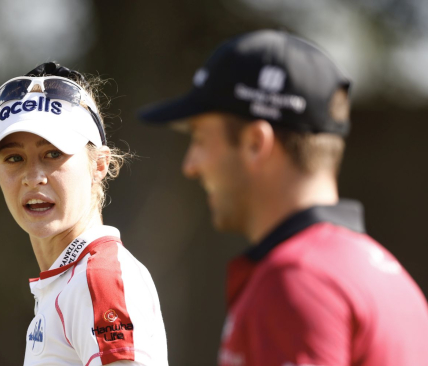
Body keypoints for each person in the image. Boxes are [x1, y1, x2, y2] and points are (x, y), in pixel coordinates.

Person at [139, 30, 428, 366]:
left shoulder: (297, 280)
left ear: (254, 144)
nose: (190, 166)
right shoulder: (384, 274)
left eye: (201, 139)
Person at [0, 62, 168, 366]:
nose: (33, 177)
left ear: (99, 165)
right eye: (14, 158)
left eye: (53, 153)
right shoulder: (69, 281)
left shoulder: (99, 278)